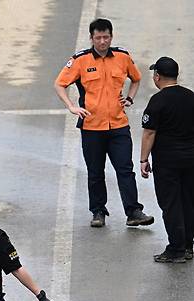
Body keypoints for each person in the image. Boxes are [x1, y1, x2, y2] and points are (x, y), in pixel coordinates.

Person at [54, 18, 154, 228]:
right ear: (91, 38)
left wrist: (129, 98)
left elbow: (136, 78)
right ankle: (98, 212)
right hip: (92, 127)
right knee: (95, 172)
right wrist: (72, 106)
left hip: (118, 125)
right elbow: (60, 84)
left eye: (106, 37)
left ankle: (133, 211)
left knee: (125, 169)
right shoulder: (80, 60)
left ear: (111, 36)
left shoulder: (122, 57)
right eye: (98, 37)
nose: (102, 41)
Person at [139, 57, 194, 263]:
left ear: (157, 76)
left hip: (167, 163)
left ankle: (176, 249)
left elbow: (149, 133)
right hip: (190, 160)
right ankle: (188, 245)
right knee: (188, 202)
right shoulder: (190, 97)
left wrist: (144, 160)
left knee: (171, 204)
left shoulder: (158, 101)